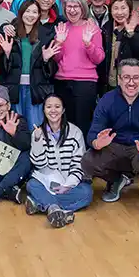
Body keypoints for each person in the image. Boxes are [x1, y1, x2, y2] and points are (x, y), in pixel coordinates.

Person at [83, 59, 139, 210]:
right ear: (119, 79)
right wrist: (97, 143)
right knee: (88, 161)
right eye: (126, 77)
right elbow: (92, 133)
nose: (131, 82)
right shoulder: (107, 100)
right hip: (115, 146)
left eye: (136, 78)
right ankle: (116, 180)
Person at [25, 94, 93, 228]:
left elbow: (78, 164)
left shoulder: (75, 132)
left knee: (87, 193)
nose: (53, 110)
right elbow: (39, 164)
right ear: (44, 110)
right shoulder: (37, 132)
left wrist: (68, 185)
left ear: (63, 110)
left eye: (57, 106)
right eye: (49, 107)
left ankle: (42, 205)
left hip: (69, 184)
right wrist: (38, 140)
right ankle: (60, 210)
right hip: (47, 182)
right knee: (32, 185)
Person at [0, 0, 59, 128]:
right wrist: (7, 54)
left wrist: (46, 59)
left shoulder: (45, 35)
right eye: (28, 11)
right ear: (21, 13)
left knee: (35, 126)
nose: (30, 15)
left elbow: (50, 73)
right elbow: (3, 70)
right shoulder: (11, 34)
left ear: (38, 15)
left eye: (34, 12)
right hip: (15, 89)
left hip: (35, 89)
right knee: (16, 126)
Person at [51, 0, 104, 138]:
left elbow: (99, 58)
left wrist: (88, 44)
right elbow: (56, 58)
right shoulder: (62, 28)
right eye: (69, 6)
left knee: (82, 123)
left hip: (85, 82)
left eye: (76, 6)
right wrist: (59, 42)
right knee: (64, 123)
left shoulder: (92, 28)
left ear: (82, 8)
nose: (72, 10)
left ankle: (82, 157)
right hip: (62, 81)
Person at [98, 0, 139, 96]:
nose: (119, 12)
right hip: (109, 84)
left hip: (131, 85)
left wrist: (131, 34)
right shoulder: (106, 29)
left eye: (123, 8)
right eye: (115, 8)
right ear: (111, 11)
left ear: (130, 10)